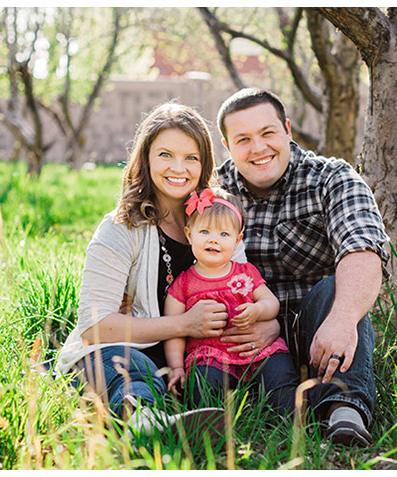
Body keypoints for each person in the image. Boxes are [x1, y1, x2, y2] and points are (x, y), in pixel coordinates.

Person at [56, 102, 276, 435]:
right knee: (133, 367)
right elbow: (94, 327)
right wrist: (183, 323)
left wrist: (268, 327)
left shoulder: (220, 222)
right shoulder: (120, 228)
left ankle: (204, 416)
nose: (179, 168)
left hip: (198, 360)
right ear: (145, 158)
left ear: (205, 164)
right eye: (165, 155)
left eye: (191, 157)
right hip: (121, 352)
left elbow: (244, 289)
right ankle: (145, 423)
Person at [214, 88, 390, 446]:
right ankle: (218, 412)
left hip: (321, 333)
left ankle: (344, 409)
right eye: (243, 139)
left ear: (288, 130)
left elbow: (363, 250)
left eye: (268, 133)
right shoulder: (215, 192)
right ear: (227, 146)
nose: (258, 148)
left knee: (334, 290)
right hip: (243, 337)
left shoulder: (331, 178)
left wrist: (341, 320)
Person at [163, 187, 299, 417]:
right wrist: (176, 367)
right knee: (201, 385)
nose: (214, 240)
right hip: (210, 357)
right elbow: (173, 329)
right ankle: (211, 419)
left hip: (257, 350)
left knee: (281, 377)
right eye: (205, 231)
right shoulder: (183, 283)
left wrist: (257, 311)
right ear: (189, 234)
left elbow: (271, 303)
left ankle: (292, 415)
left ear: (237, 240)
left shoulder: (246, 272)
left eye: (224, 235)